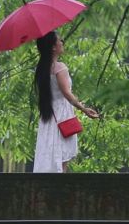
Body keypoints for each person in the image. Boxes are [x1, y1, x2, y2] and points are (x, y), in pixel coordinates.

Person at [32, 31, 99, 173]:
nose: (62, 42)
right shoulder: (59, 67)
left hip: (48, 115)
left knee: (50, 152)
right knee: (62, 156)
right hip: (62, 114)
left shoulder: (41, 69)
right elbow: (67, 94)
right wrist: (84, 109)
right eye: (59, 40)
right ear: (53, 47)